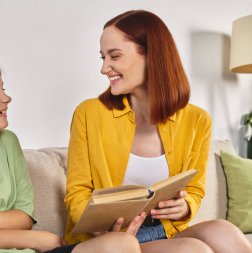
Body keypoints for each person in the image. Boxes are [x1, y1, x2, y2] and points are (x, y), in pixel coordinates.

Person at [0, 57, 145, 253]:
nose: (6, 98)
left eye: (4, 89)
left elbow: (24, 215)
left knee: (122, 244)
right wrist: (38, 240)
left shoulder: (7, 142)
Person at [64, 10, 252, 253]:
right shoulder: (89, 113)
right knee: (194, 250)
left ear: (152, 56)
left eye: (115, 56)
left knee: (225, 231)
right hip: (113, 239)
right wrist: (103, 226)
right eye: (103, 57)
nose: (104, 68)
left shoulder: (197, 120)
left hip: (166, 229)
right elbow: (76, 195)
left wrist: (184, 207)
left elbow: (194, 189)